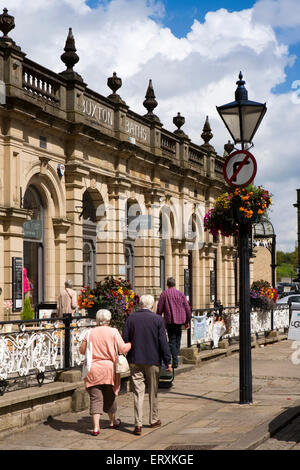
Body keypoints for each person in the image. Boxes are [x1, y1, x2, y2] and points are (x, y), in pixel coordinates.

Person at [122, 294, 172, 436]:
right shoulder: (157, 319)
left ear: (140, 305)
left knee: (138, 392)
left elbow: (125, 339)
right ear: (152, 305)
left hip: (135, 359)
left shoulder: (131, 318)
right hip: (153, 360)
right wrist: (168, 361)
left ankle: (138, 424)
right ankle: (154, 419)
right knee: (153, 390)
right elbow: (163, 342)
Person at [79, 309, 131, 436]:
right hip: (109, 369)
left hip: (93, 369)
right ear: (109, 319)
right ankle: (112, 422)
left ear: (97, 320)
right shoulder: (113, 331)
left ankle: (96, 427)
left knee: (95, 398)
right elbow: (122, 348)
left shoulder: (89, 333)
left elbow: (82, 350)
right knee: (110, 396)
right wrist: (130, 343)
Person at [156, 277, 191, 368]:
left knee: (172, 339)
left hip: (170, 320)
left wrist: (158, 319)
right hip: (180, 320)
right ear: (175, 284)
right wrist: (187, 321)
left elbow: (159, 309)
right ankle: (175, 358)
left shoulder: (164, 294)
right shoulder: (180, 294)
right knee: (177, 339)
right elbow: (187, 308)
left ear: (167, 285)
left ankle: (174, 359)